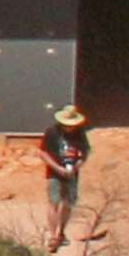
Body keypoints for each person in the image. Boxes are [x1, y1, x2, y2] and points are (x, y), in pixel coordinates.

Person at [39, 102, 92, 244]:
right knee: (53, 202)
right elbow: (43, 152)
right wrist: (57, 168)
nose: (70, 127)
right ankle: (52, 235)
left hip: (71, 173)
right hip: (55, 172)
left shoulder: (80, 133)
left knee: (68, 203)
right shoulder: (52, 132)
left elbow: (85, 152)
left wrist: (76, 167)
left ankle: (61, 232)